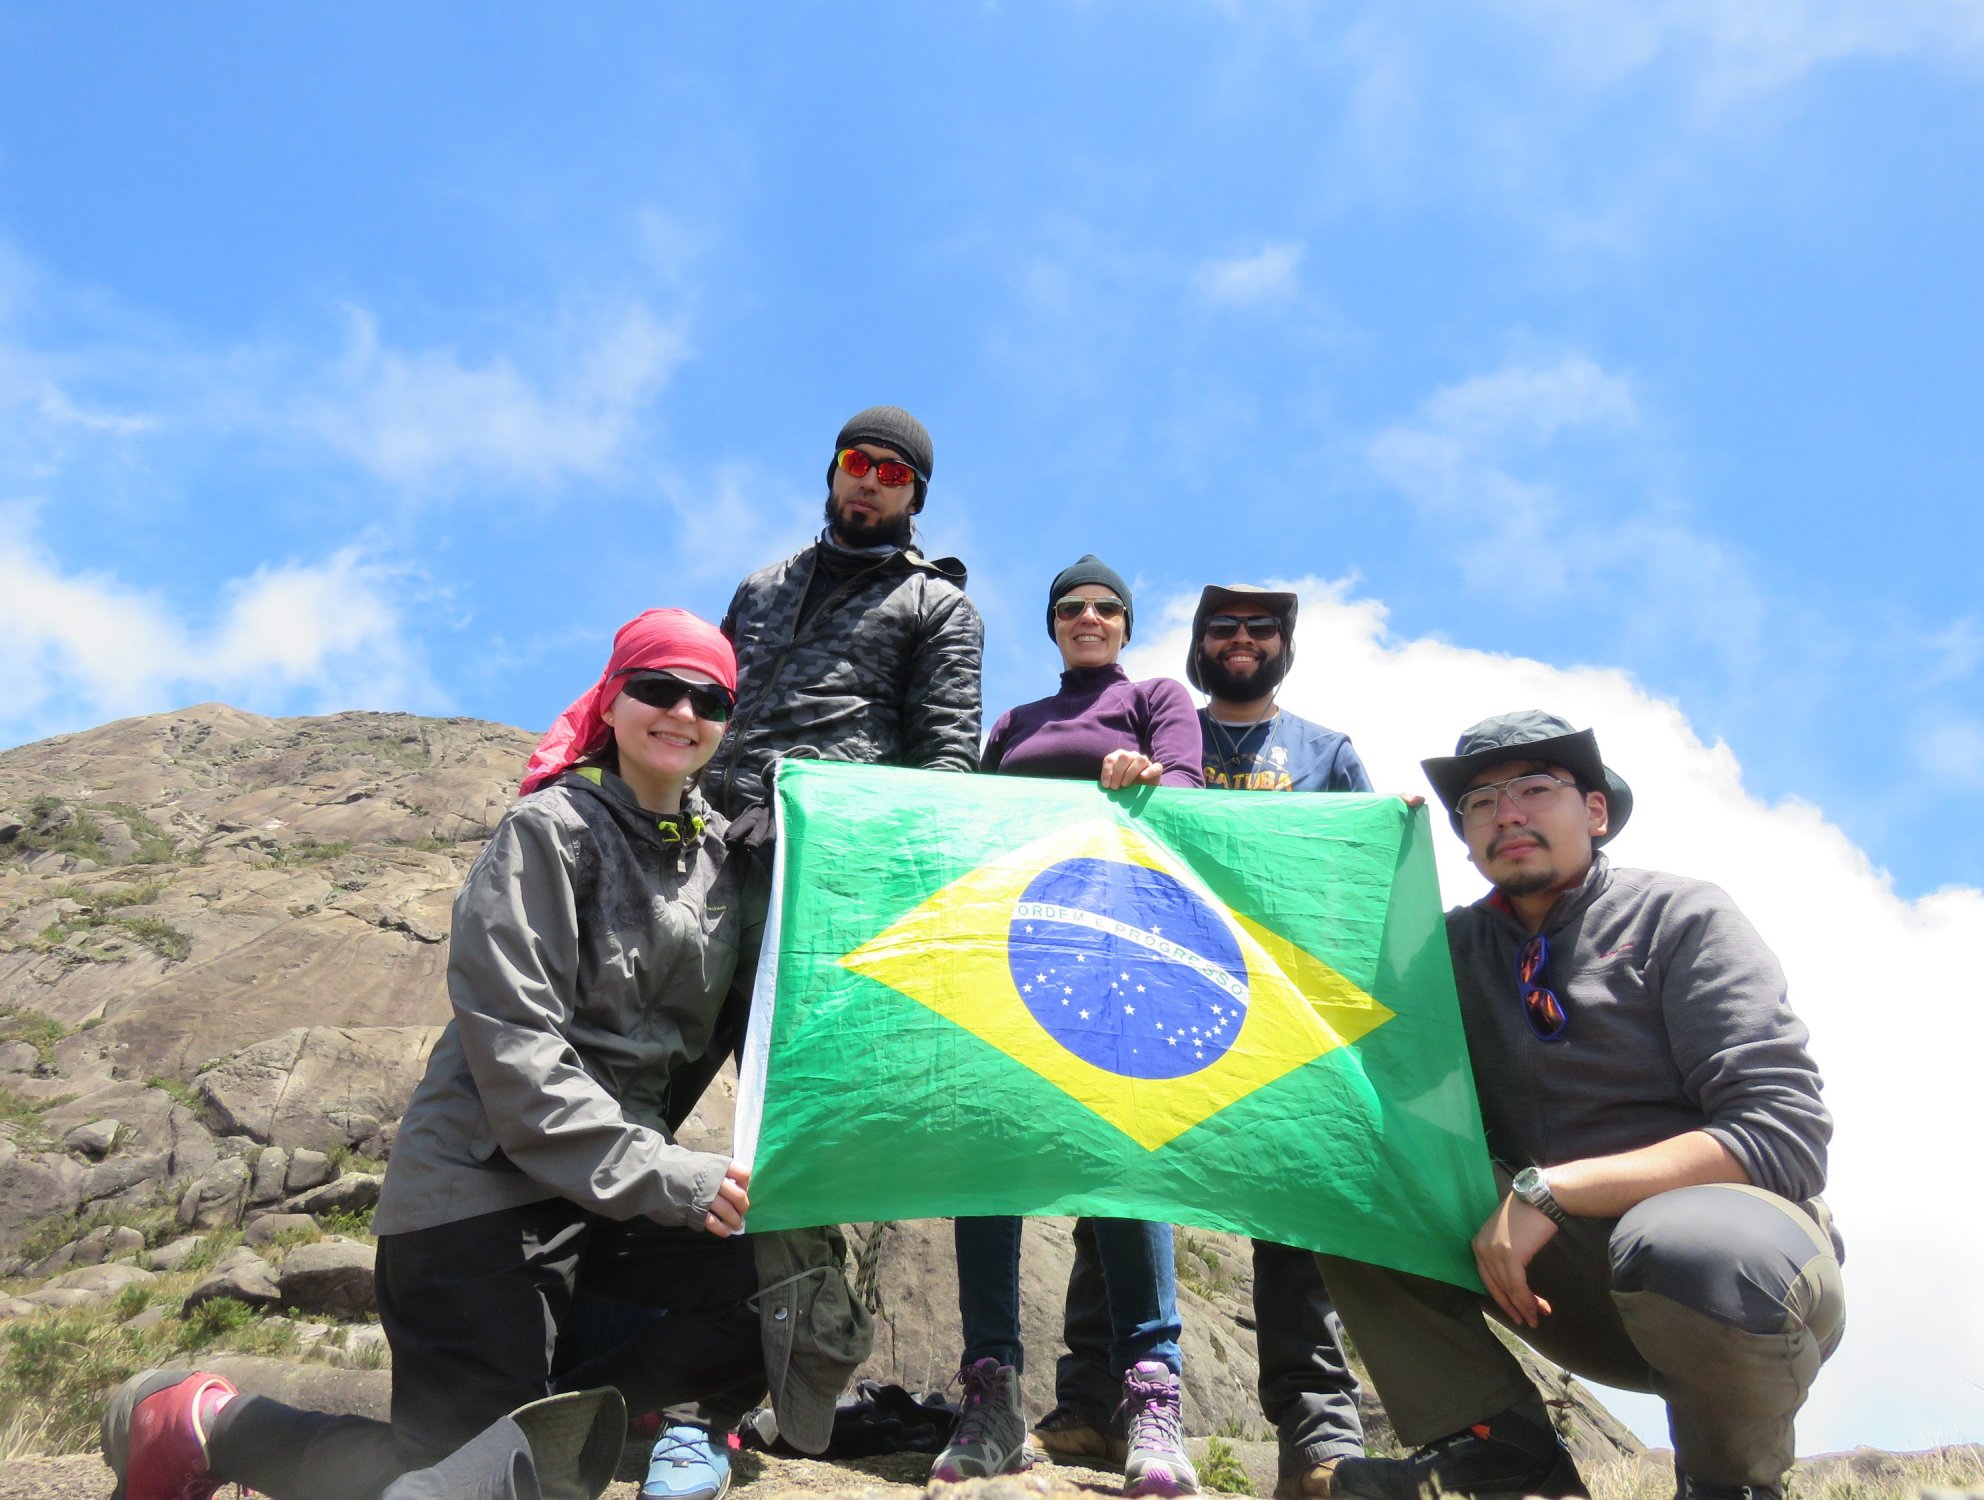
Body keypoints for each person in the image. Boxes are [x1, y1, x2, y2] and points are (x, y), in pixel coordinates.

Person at [103, 611, 871, 1500]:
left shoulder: (721, 861)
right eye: (659, 688)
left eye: (711, 700)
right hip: (482, 1197)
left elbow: (776, 1007)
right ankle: (210, 1425)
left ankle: (567, 1430)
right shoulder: (548, 832)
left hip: (612, 1204)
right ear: (612, 700)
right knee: (467, 1483)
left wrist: (791, 869)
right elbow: (520, 1063)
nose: (683, 712)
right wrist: (672, 1175)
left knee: (789, 1284)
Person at [1321, 711, 1844, 1500]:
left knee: (1683, 1243)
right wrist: (1346, 856)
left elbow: (1783, 1136)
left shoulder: (1681, 916)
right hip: (1561, 1286)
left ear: (1595, 811)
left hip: (1736, 1271)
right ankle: (1503, 1461)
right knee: (1349, 1176)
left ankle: (1728, 1484)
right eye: (1480, 802)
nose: (1507, 814)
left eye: (1534, 788)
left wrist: (1551, 1190)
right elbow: (1325, 1019)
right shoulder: (1445, 955)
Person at [1038, 584, 1375, 1498]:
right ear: (1196, 643)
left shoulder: (1327, 752)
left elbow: (1362, 878)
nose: (1241, 639)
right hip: (1157, 991)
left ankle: (1317, 1439)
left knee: (1290, 1216)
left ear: (1285, 645)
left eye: (1262, 628)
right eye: (1222, 627)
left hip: (1285, 1009)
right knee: (1116, 1187)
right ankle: (1091, 1403)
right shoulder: (1158, 736)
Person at [931, 554, 1204, 1499]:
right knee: (990, 1157)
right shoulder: (1014, 722)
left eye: (1106, 606)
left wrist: (1148, 777)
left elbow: (1189, 794)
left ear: (1125, 623)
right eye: (1071, 607)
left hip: (1117, 951)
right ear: (1053, 624)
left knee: (1125, 1158)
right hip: (1019, 950)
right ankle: (992, 1395)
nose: (1089, 616)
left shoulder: (1157, 697)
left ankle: (1152, 1400)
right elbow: (970, 824)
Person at [702, 404, 983, 822]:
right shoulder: (759, 588)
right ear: (834, 473)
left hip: (828, 837)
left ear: (915, 500)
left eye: (894, 474)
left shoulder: (938, 606)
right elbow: (704, 703)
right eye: (856, 462)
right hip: (704, 832)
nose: (869, 481)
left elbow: (946, 760)